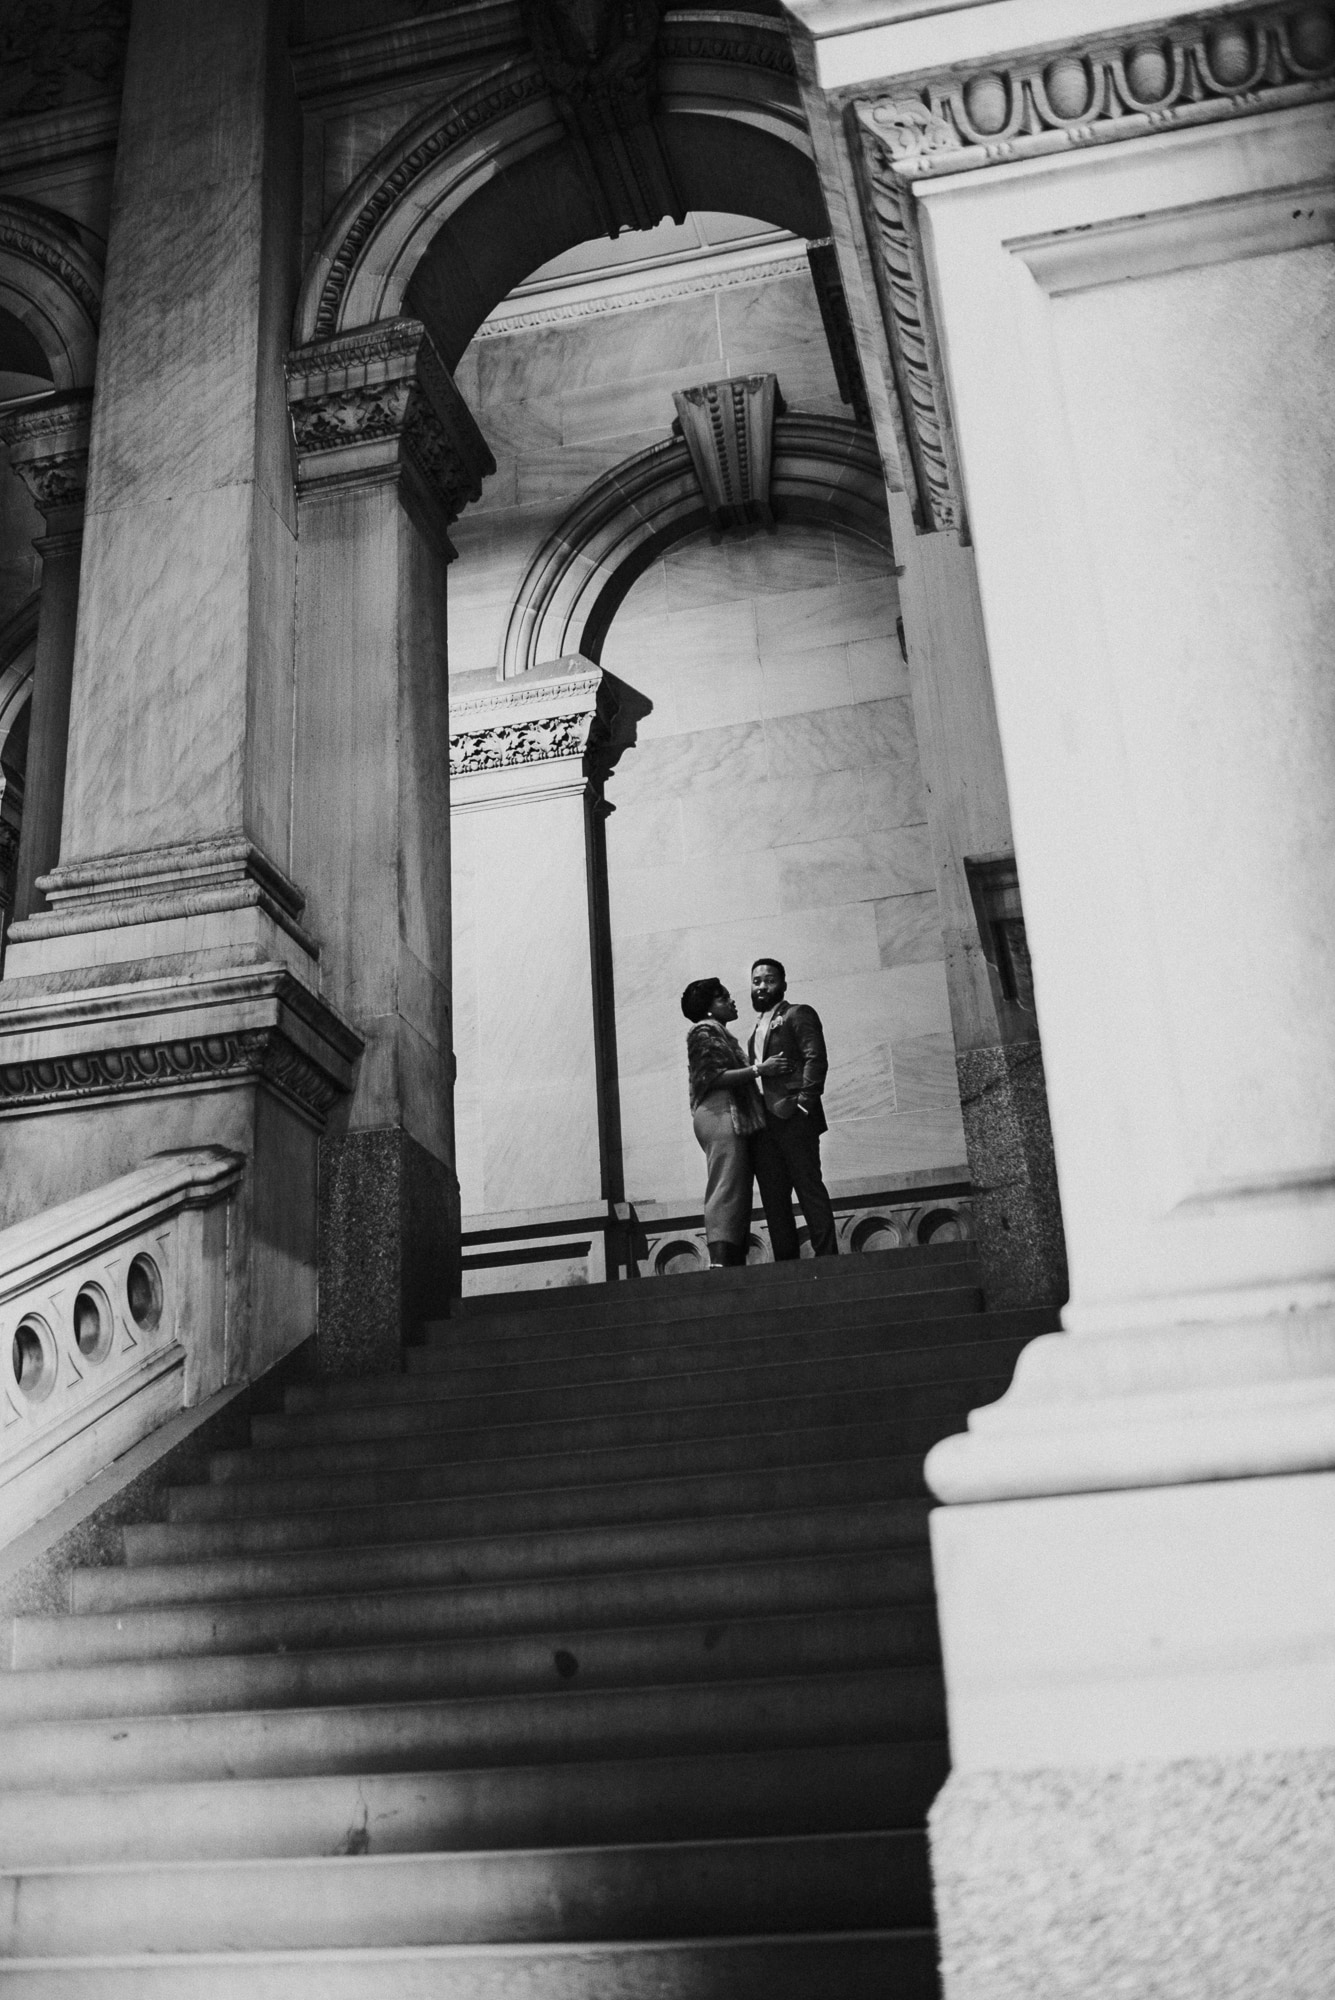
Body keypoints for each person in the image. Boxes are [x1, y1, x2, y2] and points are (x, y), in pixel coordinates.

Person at [680, 976, 785, 1268]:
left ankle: (730, 1260)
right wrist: (759, 1069)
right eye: (723, 997)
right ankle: (721, 1263)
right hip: (721, 1113)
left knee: (734, 1188)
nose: (732, 1000)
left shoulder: (716, 1032)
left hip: (726, 1113)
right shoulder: (704, 1031)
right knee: (726, 1186)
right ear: (710, 1008)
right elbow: (711, 1077)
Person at [746, 957, 838, 1259]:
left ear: (783, 984)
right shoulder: (754, 1031)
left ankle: (828, 1259)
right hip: (766, 1126)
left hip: (796, 1118)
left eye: (769, 979)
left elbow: (816, 1058)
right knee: (774, 1199)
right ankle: (787, 1264)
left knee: (809, 1188)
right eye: (756, 980)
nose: (762, 986)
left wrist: (804, 1106)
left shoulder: (798, 1014)